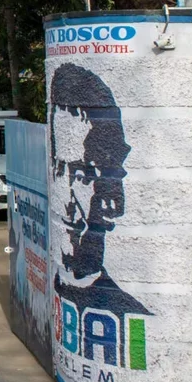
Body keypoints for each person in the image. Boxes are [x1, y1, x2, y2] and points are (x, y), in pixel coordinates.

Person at [49, 64, 151, 321]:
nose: (67, 197)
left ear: (109, 193)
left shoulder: (130, 314)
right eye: (60, 168)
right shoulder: (48, 291)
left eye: (82, 174)